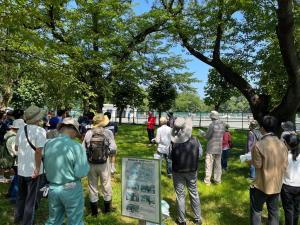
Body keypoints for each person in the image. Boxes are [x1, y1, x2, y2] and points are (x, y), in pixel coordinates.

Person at [43, 117, 90, 225]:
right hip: (71, 187)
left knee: (53, 220)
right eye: (76, 133)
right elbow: (81, 172)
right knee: (75, 221)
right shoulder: (76, 147)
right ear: (73, 130)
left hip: (53, 188)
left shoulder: (48, 144)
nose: (75, 136)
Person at [250, 115, 288, 225]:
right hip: (277, 185)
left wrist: (250, 160)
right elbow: (285, 166)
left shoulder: (259, 145)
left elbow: (257, 165)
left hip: (261, 185)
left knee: (256, 211)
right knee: (274, 212)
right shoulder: (282, 144)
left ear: (262, 128)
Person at [14, 105, 47, 225]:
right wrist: (37, 168)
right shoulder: (41, 131)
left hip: (22, 168)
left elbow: (17, 147)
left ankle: (18, 218)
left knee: (21, 195)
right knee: (31, 200)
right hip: (34, 170)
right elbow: (39, 151)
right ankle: (27, 222)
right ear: (38, 118)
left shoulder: (21, 129)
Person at [170, 117, 203, 225]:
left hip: (178, 171)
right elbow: (200, 154)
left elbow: (169, 155)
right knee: (194, 193)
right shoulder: (195, 140)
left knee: (180, 195)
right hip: (192, 170)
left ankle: (182, 220)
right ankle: (197, 218)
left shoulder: (173, 142)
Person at [83, 113, 117, 216]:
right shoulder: (108, 133)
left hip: (91, 163)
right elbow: (113, 149)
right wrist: (108, 155)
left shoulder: (88, 133)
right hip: (104, 163)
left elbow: (82, 149)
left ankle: (94, 213)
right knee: (106, 184)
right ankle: (107, 211)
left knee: (92, 186)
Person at [281, 134, 300, 225]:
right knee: (296, 208)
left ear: (287, 144)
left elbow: (281, 170)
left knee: (289, 210)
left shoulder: (285, 156)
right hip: (298, 186)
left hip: (287, 187)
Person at [201, 111, 225, 185]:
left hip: (211, 147)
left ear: (212, 117)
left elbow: (207, 136)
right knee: (218, 164)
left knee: (209, 164)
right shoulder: (222, 124)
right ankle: (217, 180)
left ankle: (207, 181)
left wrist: (202, 133)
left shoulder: (212, 125)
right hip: (219, 147)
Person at [5, 119, 25, 203]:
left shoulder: (10, 135)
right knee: (18, 179)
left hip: (14, 160)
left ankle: (10, 193)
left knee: (16, 177)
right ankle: (14, 197)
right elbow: (16, 152)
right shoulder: (13, 138)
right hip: (16, 160)